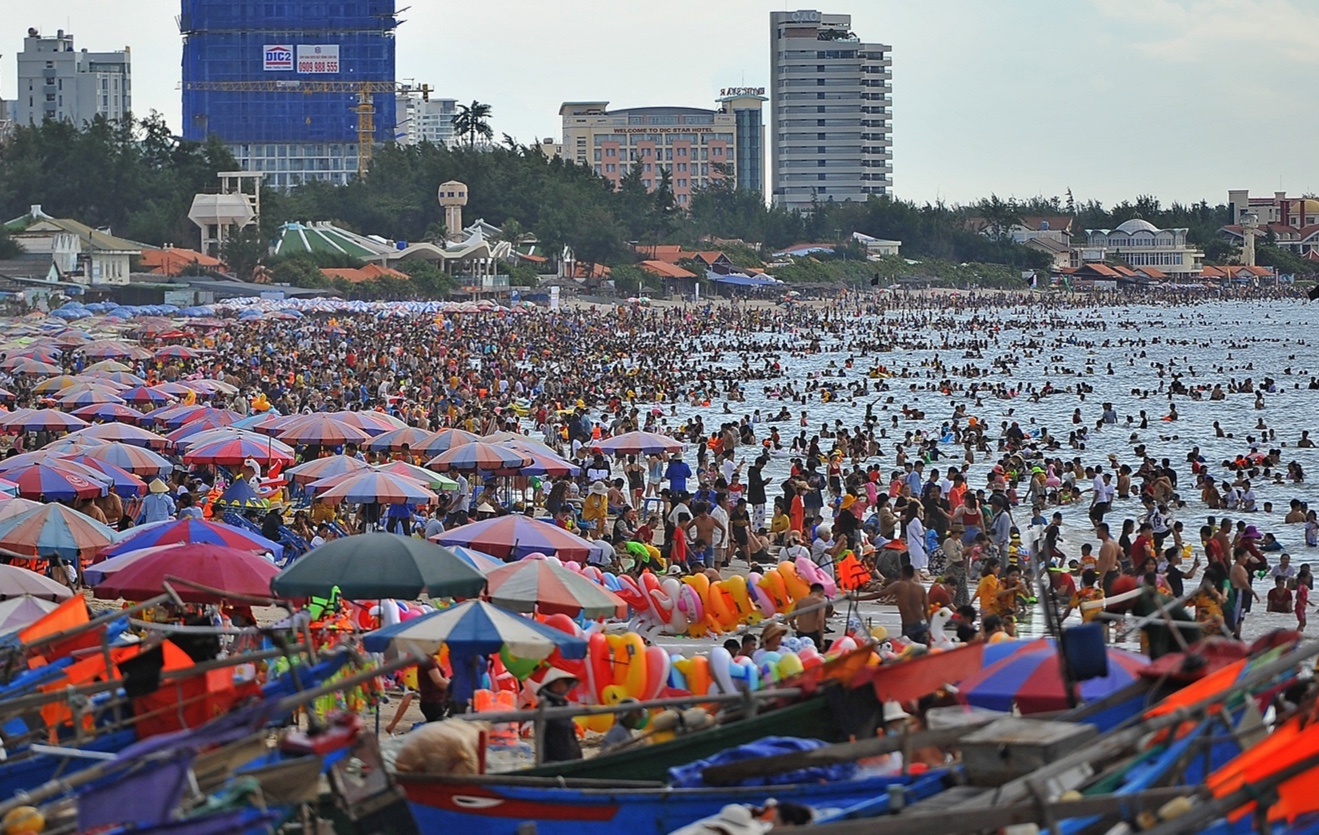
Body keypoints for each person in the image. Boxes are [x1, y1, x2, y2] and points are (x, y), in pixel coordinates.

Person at [878, 564, 929, 642]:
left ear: (903, 573)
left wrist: (859, 598)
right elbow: (926, 609)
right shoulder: (921, 588)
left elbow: (879, 594)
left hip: (908, 625)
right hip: (922, 624)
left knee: (909, 648)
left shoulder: (898, 585)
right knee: (924, 648)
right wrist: (929, 625)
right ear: (913, 575)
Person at [790, 582, 832, 649]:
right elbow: (820, 619)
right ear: (821, 592)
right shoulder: (820, 602)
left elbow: (791, 619)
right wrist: (821, 638)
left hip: (800, 634)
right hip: (813, 634)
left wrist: (795, 628)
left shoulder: (800, 601)